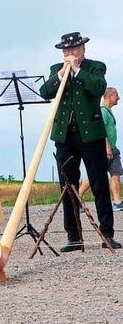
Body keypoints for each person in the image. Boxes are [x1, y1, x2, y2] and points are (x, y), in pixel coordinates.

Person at [39, 33, 121, 251]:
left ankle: (107, 234)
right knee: (68, 186)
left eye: (73, 50)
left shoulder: (95, 67)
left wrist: (76, 70)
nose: (69, 54)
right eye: (66, 51)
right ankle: (74, 237)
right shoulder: (56, 68)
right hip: (64, 136)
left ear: (83, 49)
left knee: (99, 185)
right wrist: (61, 73)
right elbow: (44, 92)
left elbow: (97, 88)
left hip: (91, 136)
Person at [78, 87, 123, 211]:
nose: (118, 98)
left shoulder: (108, 111)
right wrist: (107, 148)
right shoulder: (103, 111)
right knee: (95, 176)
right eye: (116, 96)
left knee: (115, 173)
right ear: (110, 96)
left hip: (113, 150)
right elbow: (101, 131)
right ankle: (77, 199)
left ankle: (117, 202)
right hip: (104, 150)